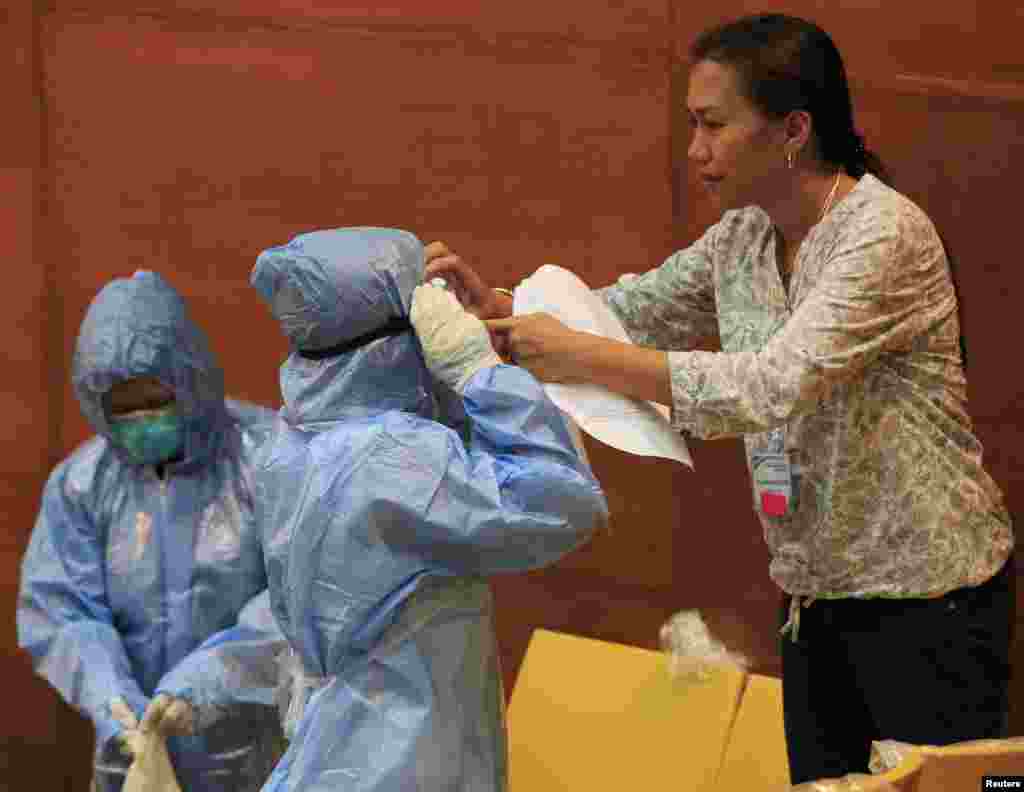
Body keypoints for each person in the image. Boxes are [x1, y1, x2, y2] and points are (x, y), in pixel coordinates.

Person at [423, 13, 1015, 785]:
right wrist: (499, 311)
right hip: (813, 597)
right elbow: (625, 310)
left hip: (927, 602)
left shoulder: (883, 235)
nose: (694, 149)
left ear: (792, 130)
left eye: (712, 125)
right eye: (690, 125)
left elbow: (769, 385)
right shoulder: (745, 234)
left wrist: (587, 357)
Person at [249, 226, 608, 791]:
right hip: (404, 757)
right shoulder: (393, 457)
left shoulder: (294, 439)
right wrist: (476, 371)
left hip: (346, 745)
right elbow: (561, 500)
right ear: (398, 338)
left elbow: (432, 455)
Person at [18, 271, 287, 792]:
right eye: (122, 408)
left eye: (155, 399)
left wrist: (209, 682)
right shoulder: (82, 485)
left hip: (257, 757)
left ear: (190, 381)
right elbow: (62, 610)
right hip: (132, 759)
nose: (142, 419)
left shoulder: (269, 460)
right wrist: (110, 698)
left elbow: (299, 599)